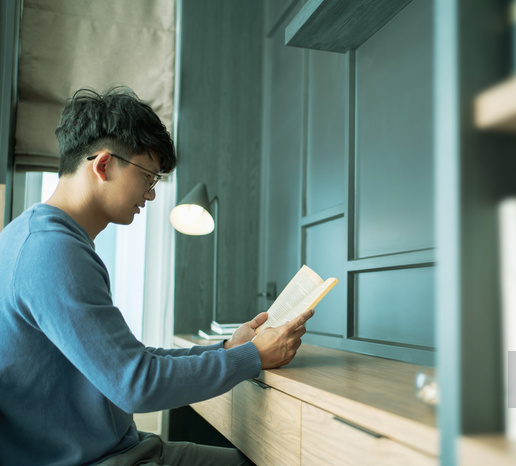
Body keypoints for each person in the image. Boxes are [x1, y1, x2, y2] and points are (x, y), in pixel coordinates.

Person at [0, 87, 313, 465]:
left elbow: (127, 361)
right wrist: (251, 358)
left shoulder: (33, 235)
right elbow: (137, 385)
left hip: (117, 449)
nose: (150, 195)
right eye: (149, 177)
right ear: (103, 165)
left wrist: (229, 349)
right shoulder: (52, 252)